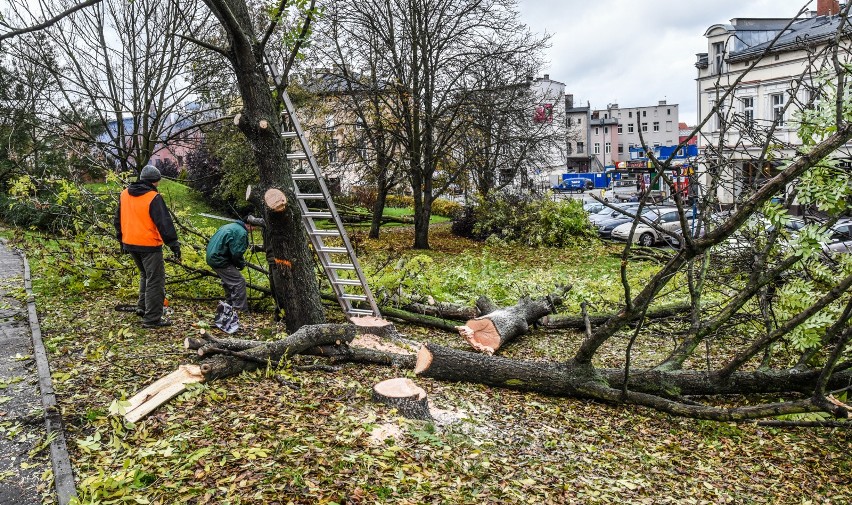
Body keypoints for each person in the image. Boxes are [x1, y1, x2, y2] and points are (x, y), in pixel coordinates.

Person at [113, 165, 181, 329]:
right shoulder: (153, 197)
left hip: (130, 243)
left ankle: (142, 307)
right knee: (155, 281)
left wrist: (121, 240)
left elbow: (117, 220)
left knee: (145, 275)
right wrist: (174, 245)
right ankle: (152, 319)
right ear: (155, 181)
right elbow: (164, 223)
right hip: (149, 244)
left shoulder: (124, 194)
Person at [206, 220, 250, 312]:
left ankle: (229, 306)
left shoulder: (229, 226)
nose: (253, 230)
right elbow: (237, 253)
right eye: (253, 227)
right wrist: (241, 264)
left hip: (213, 256)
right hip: (219, 259)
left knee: (228, 281)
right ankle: (239, 310)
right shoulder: (241, 232)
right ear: (248, 225)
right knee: (238, 282)